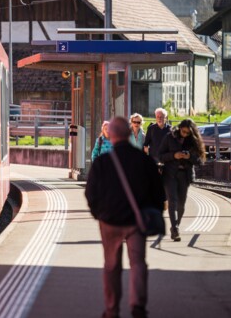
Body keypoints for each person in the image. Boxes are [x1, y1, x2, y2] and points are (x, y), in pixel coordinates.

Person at [86, 117, 166, 318]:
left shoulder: (102, 162)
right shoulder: (143, 160)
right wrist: (149, 213)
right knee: (138, 263)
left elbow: (91, 193)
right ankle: (138, 306)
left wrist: (99, 214)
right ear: (129, 134)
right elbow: (158, 193)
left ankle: (111, 310)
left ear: (111, 135)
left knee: (111, 266)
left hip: (109, 221)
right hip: (136, 221)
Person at [157, 119, 206, 242]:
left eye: (188, 133)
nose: (185, 134)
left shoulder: (194, 141)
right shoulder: (170, 137)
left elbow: (200, 161)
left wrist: (190, 157)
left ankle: (176, 225)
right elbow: (160, 155)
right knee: (172, 201)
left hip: (185, 175)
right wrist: (174, 155)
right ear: (179, 128)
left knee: (181, 205)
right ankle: (175, 230)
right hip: (170, 174)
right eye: (183, 131)